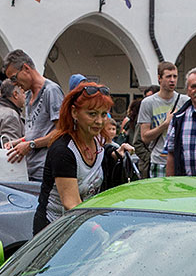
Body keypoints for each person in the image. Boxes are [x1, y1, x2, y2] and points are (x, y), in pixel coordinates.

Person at [34, 83, 136, 232]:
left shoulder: (98, 141)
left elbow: (102, 162)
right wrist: (100, 232)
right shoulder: (63, 150)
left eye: (103, 114)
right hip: (54, 230)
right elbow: (72, 204)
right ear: (75, 113)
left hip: (82, 225)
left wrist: (116, 155)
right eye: (92, 114)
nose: (100, 121)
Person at [1, 51, 65, 180]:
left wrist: (30, 145)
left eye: (14, 78)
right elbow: (38, 132)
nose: (14, 84)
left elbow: (61, 132)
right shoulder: (29, 95)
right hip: (30, 170)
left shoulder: (51, 91)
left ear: (26, 68)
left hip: (46, 170)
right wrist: (18, 142)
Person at [134, 62, 180, 179]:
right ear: (159, 78)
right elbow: (144, 137)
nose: (172, 80)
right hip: (158, 160)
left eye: (175, 76)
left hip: (180, 159)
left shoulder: (184, 101)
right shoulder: (148, 103)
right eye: (168, 76)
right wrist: (165, 124)